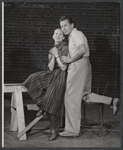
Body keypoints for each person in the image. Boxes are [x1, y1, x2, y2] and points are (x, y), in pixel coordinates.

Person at [56, 16, 120, 137]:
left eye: (65, 25)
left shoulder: (76, 34)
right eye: (61, 26)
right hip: (84, 65)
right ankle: (112, 100)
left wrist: (69, 59)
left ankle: (72, 130)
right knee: (84, 95)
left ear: (72, 25)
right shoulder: (74, 35)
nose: (63, 28)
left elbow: (82, 50)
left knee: (71, 98)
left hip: (78, 65)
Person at [23, 28, 69, 141]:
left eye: (60, 34)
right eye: (56, 33)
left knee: (51, 98)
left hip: (61, 76)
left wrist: (57, 55)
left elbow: (63, 67)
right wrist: (53, 54)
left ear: (63, 37)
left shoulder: (66, 48)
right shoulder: (52, 49)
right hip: (52, 73)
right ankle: (41, 105)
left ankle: (53, 130)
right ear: (53, 36)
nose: (58, 35)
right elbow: (50, 67)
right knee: (32, 78)